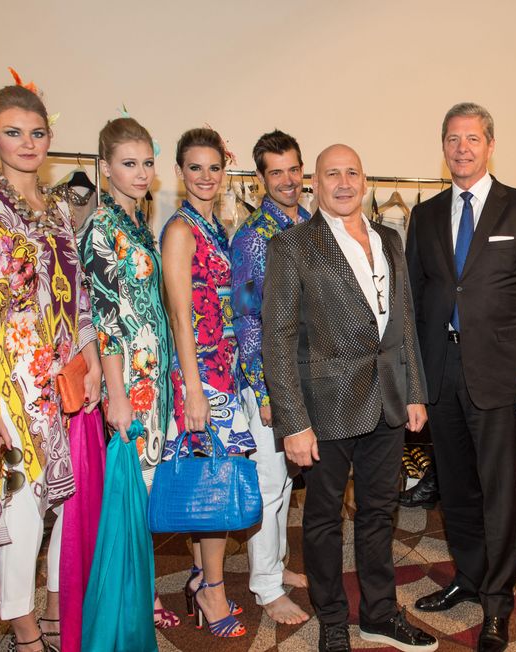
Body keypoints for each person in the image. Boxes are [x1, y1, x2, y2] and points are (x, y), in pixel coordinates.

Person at [262, 144, 438, 652]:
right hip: (325, 408)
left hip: (387, 401)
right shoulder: (292, 245)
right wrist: (294, 422)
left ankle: (379, 614)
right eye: (332, 174)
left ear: (365, 181)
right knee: (322, 521)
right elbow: (277, 340)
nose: (343, 183)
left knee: (379, 513)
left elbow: (403, 321)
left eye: (352, 173)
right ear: (314, 183)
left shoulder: (389, 238)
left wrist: (415, 392)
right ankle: (333, 619)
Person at [0, 83, 102, 651]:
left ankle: (59, 605)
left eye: (37, 133)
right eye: (13, 132)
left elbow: (79, 296)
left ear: (50, 138)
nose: (27, 143)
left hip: (64, 377)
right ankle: (21, 626)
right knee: (19, 505)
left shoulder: (60, 209)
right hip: (9, 380)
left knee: (68, 501)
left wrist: (91, 362)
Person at [407, 102, 516, 652]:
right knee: (455, 489)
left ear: (490, 145)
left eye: (472, 138)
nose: (462, 148)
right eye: (453, 139)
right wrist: (414, 383)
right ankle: (468, 577)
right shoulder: (425, 214)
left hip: (501, 377)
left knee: (499, 493)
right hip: (440, 372)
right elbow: (414, 301)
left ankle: (497, 600)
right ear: (443, 146)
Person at [80, 116, 177, 629]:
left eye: (147, 163)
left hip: (154, 379)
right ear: (105, 167)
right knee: (131, 493)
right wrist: (116, 395)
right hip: (131, 386)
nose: (141, 173)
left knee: (145, 490)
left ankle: (143, 590)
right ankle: (137, 600)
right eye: (128, 163)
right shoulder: (101, 227)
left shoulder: (136, 222)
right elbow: (105, 320)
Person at [160, 127, 255, 639]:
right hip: (201, 374)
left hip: (222, 368)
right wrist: (194, 389)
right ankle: (213, 590)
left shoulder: (213, 225)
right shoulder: (181, 230)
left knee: (205, 477)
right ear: (180, 172)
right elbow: (180, 314)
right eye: (195, 167)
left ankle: (201, 577)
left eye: (214, 167)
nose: (205, 176)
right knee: (217, 480)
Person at [230, 129, 309, 625]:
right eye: (275, 172)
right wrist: (262, 391)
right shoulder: (254, 237)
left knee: (285, 481)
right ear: (261, 178)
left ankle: (277, 564)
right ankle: (265, 586)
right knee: (269, 481)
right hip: (267, 380)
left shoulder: (308, 224)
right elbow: (246, 319)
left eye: (293, 169)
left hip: (303, 375)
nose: (287, 180)